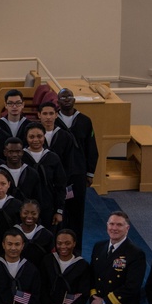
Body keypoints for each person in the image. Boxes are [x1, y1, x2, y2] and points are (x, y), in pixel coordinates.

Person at [55, 88, 99, 249]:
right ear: (58, 101)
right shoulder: (53, 120)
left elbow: (91, 148)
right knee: (59, 212)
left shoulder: (85, 121)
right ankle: (58, 246)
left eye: (69, 97)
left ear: (74, 100)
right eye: (63, 97)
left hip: (78, 173)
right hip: (59, 174)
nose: (66, 100)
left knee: (76, 212)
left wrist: (90, 172)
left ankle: (76, 248)